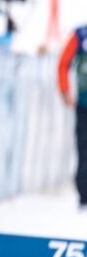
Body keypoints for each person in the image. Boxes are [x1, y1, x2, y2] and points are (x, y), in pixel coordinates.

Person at [58, 24, 87, 210]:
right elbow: (63, 63)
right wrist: (65, 90)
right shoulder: (80, 34)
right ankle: (84, 194)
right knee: (84, 149)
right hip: (84, 104)